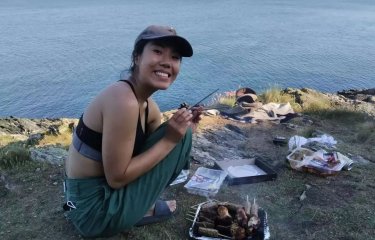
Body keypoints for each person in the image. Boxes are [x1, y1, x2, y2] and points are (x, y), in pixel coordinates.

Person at [64, 25, 202, 238]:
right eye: (157, 51)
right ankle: (141, 209)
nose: (167, 62)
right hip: (91, 212)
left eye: (175, 57)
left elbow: (163, 158)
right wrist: (170, 140)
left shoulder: (147, 105)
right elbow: (117, 179)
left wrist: (187, 128)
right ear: (137, 57)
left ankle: (137, 205)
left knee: (181, 136)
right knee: (176, 139)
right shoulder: (124, 100)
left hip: (80, 199)